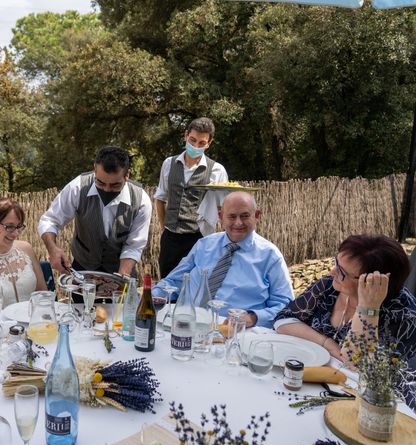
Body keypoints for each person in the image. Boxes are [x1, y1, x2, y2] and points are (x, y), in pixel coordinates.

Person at [152, 191, 293, 329]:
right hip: (188, 324)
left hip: (237, 333)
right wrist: (149, 296)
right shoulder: (204, 245)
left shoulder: (270, 256)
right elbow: (173, 281)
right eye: (232, 216)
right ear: (221, 217)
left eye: (244, 216)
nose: (238, 223)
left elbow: (285, 306)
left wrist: (252, 317)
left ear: (256, 216)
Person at [274, 235, 416, 361]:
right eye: (336, 263)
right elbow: (283, 320)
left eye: (342, 272)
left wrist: (368, 309)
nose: (332, 272)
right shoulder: (330, 286)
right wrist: (327, 343)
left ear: (371, 281)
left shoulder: (402, 314)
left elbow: (359, 365)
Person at [38, 146, 152, 277]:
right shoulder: (77, 188)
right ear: (94, 170)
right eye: (100, 182)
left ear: (127, 175)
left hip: (121, 270)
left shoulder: (141, 201)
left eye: (115, 185)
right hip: (83, 270)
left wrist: (120, 279)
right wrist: (53, 249)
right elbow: (50, 220)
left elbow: (134, 246)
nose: (107, 190)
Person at [155, 117, 228, 278]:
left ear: (209, 143)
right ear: (186, 135)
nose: (195, 146)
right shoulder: (169, 163)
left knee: (195, 288)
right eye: (192, 140)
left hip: (198, 238)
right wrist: (164, 228)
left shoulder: (217, 170)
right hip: (170, 239)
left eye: (201, 143)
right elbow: (160, 198)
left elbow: (223, 208)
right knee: (167, 286)